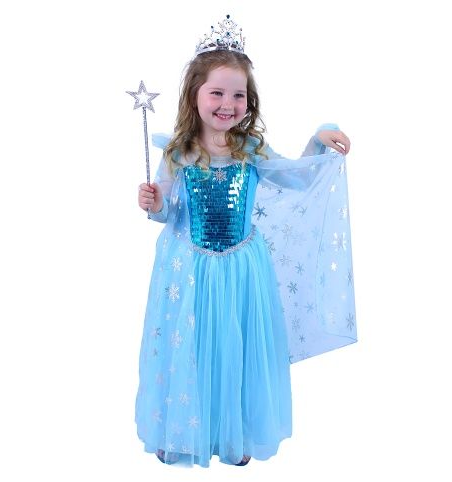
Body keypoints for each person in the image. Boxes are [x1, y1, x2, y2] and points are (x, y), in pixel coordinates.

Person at [135, 15, 357, 468]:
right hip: (190, 269)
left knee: (236, 346)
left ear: (248, 102)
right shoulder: (178, 152)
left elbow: (295, 179)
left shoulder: (250, 150)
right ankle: (182, 430)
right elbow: (167, 214)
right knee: (191, 343)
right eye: (217, 92)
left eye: (238, 95)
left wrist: (318, 139)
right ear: (194, 95)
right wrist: (153, 203)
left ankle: (234, 434)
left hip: (241, 268)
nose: (227, 103)